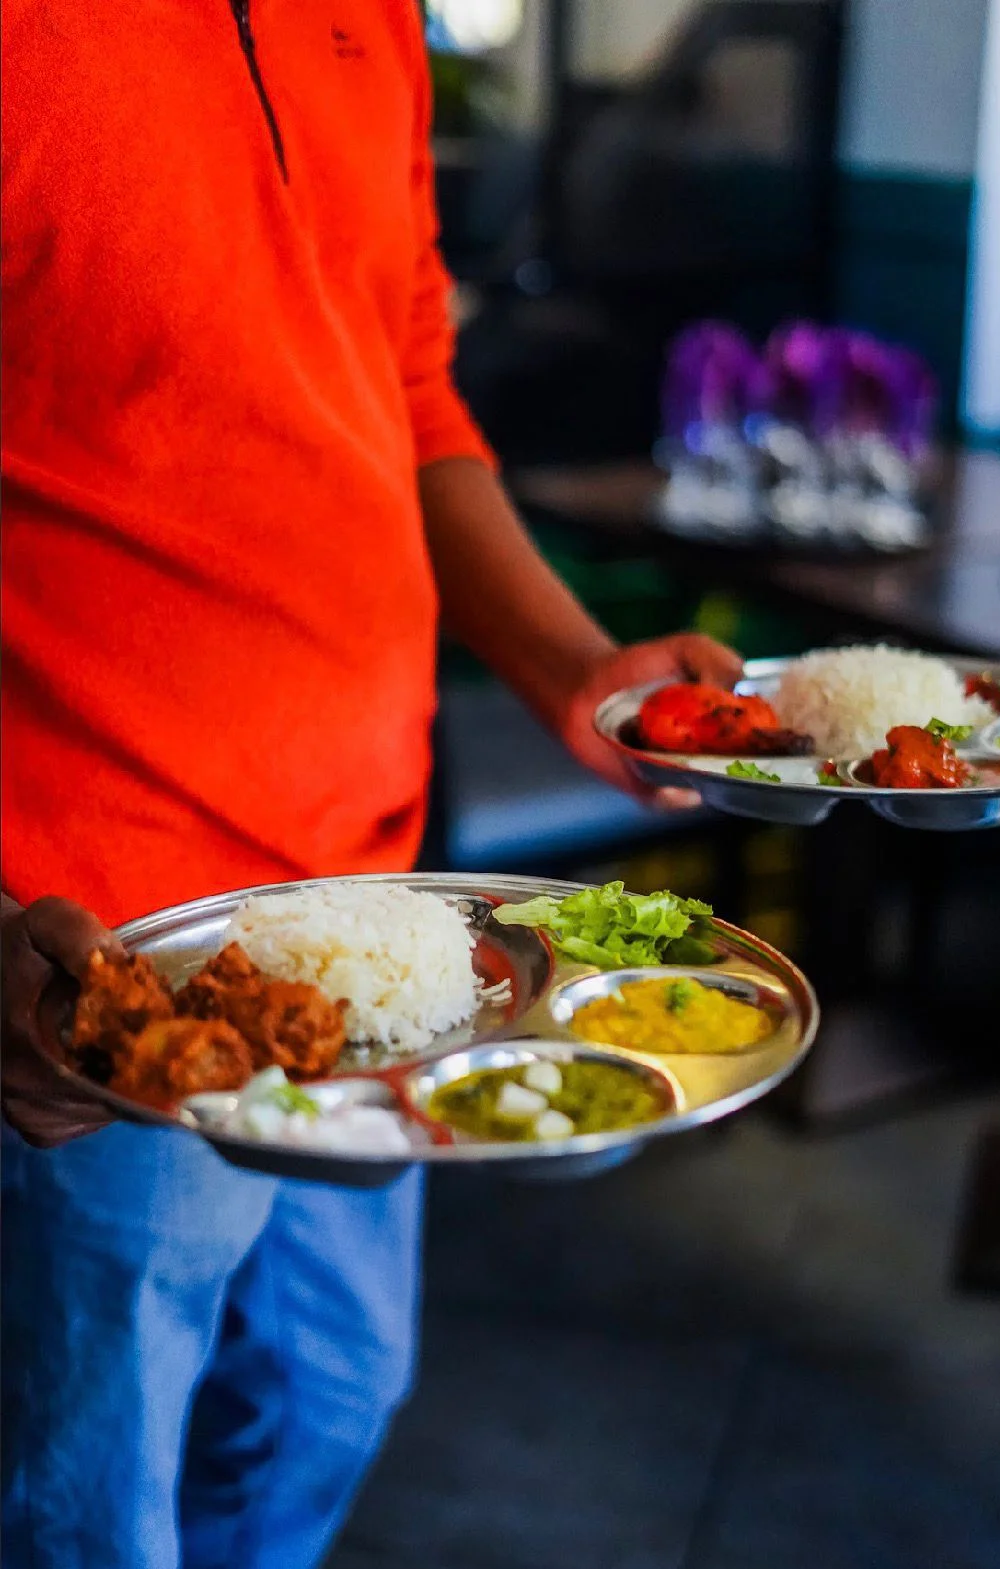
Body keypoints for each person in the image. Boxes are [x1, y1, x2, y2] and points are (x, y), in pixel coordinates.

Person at [0, 3, 741, 1565]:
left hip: (378, 914)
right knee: (88, 1509)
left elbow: (403, 384)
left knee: (328, 1397)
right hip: (103, 946)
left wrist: (569, 669)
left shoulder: (377, 22)